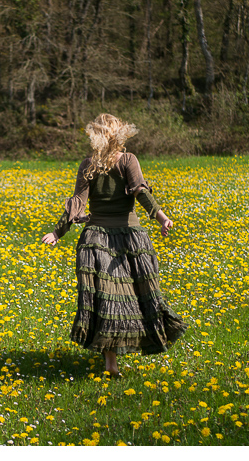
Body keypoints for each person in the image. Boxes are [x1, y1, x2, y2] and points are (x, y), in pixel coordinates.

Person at [41, 113, 188, 377]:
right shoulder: (121, 160)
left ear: (95, 135)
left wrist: (57, 232)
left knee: (106, 299)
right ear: (120, 134)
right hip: (123, 238)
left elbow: (84, 202)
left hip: (104, 239)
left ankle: (112, 362)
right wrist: (161, 217)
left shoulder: (91, 163)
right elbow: (138, 192)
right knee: (128, 297)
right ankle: (112, 364)